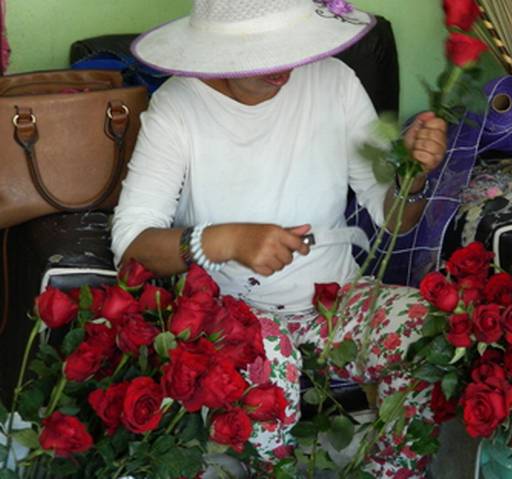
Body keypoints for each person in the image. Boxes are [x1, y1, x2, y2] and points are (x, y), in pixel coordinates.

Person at [111, 0, 448, 477]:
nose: (285, 69)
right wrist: (221, 241)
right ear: (215, 50)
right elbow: (130, 244)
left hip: (337, 303)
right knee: (267, 360)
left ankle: (390, 471)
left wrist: (413, 175)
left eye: (290, 48)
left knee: (425, 330)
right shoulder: (177, 107)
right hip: (235, 314)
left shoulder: (333, 80)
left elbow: (392, 215)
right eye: (265, 55)